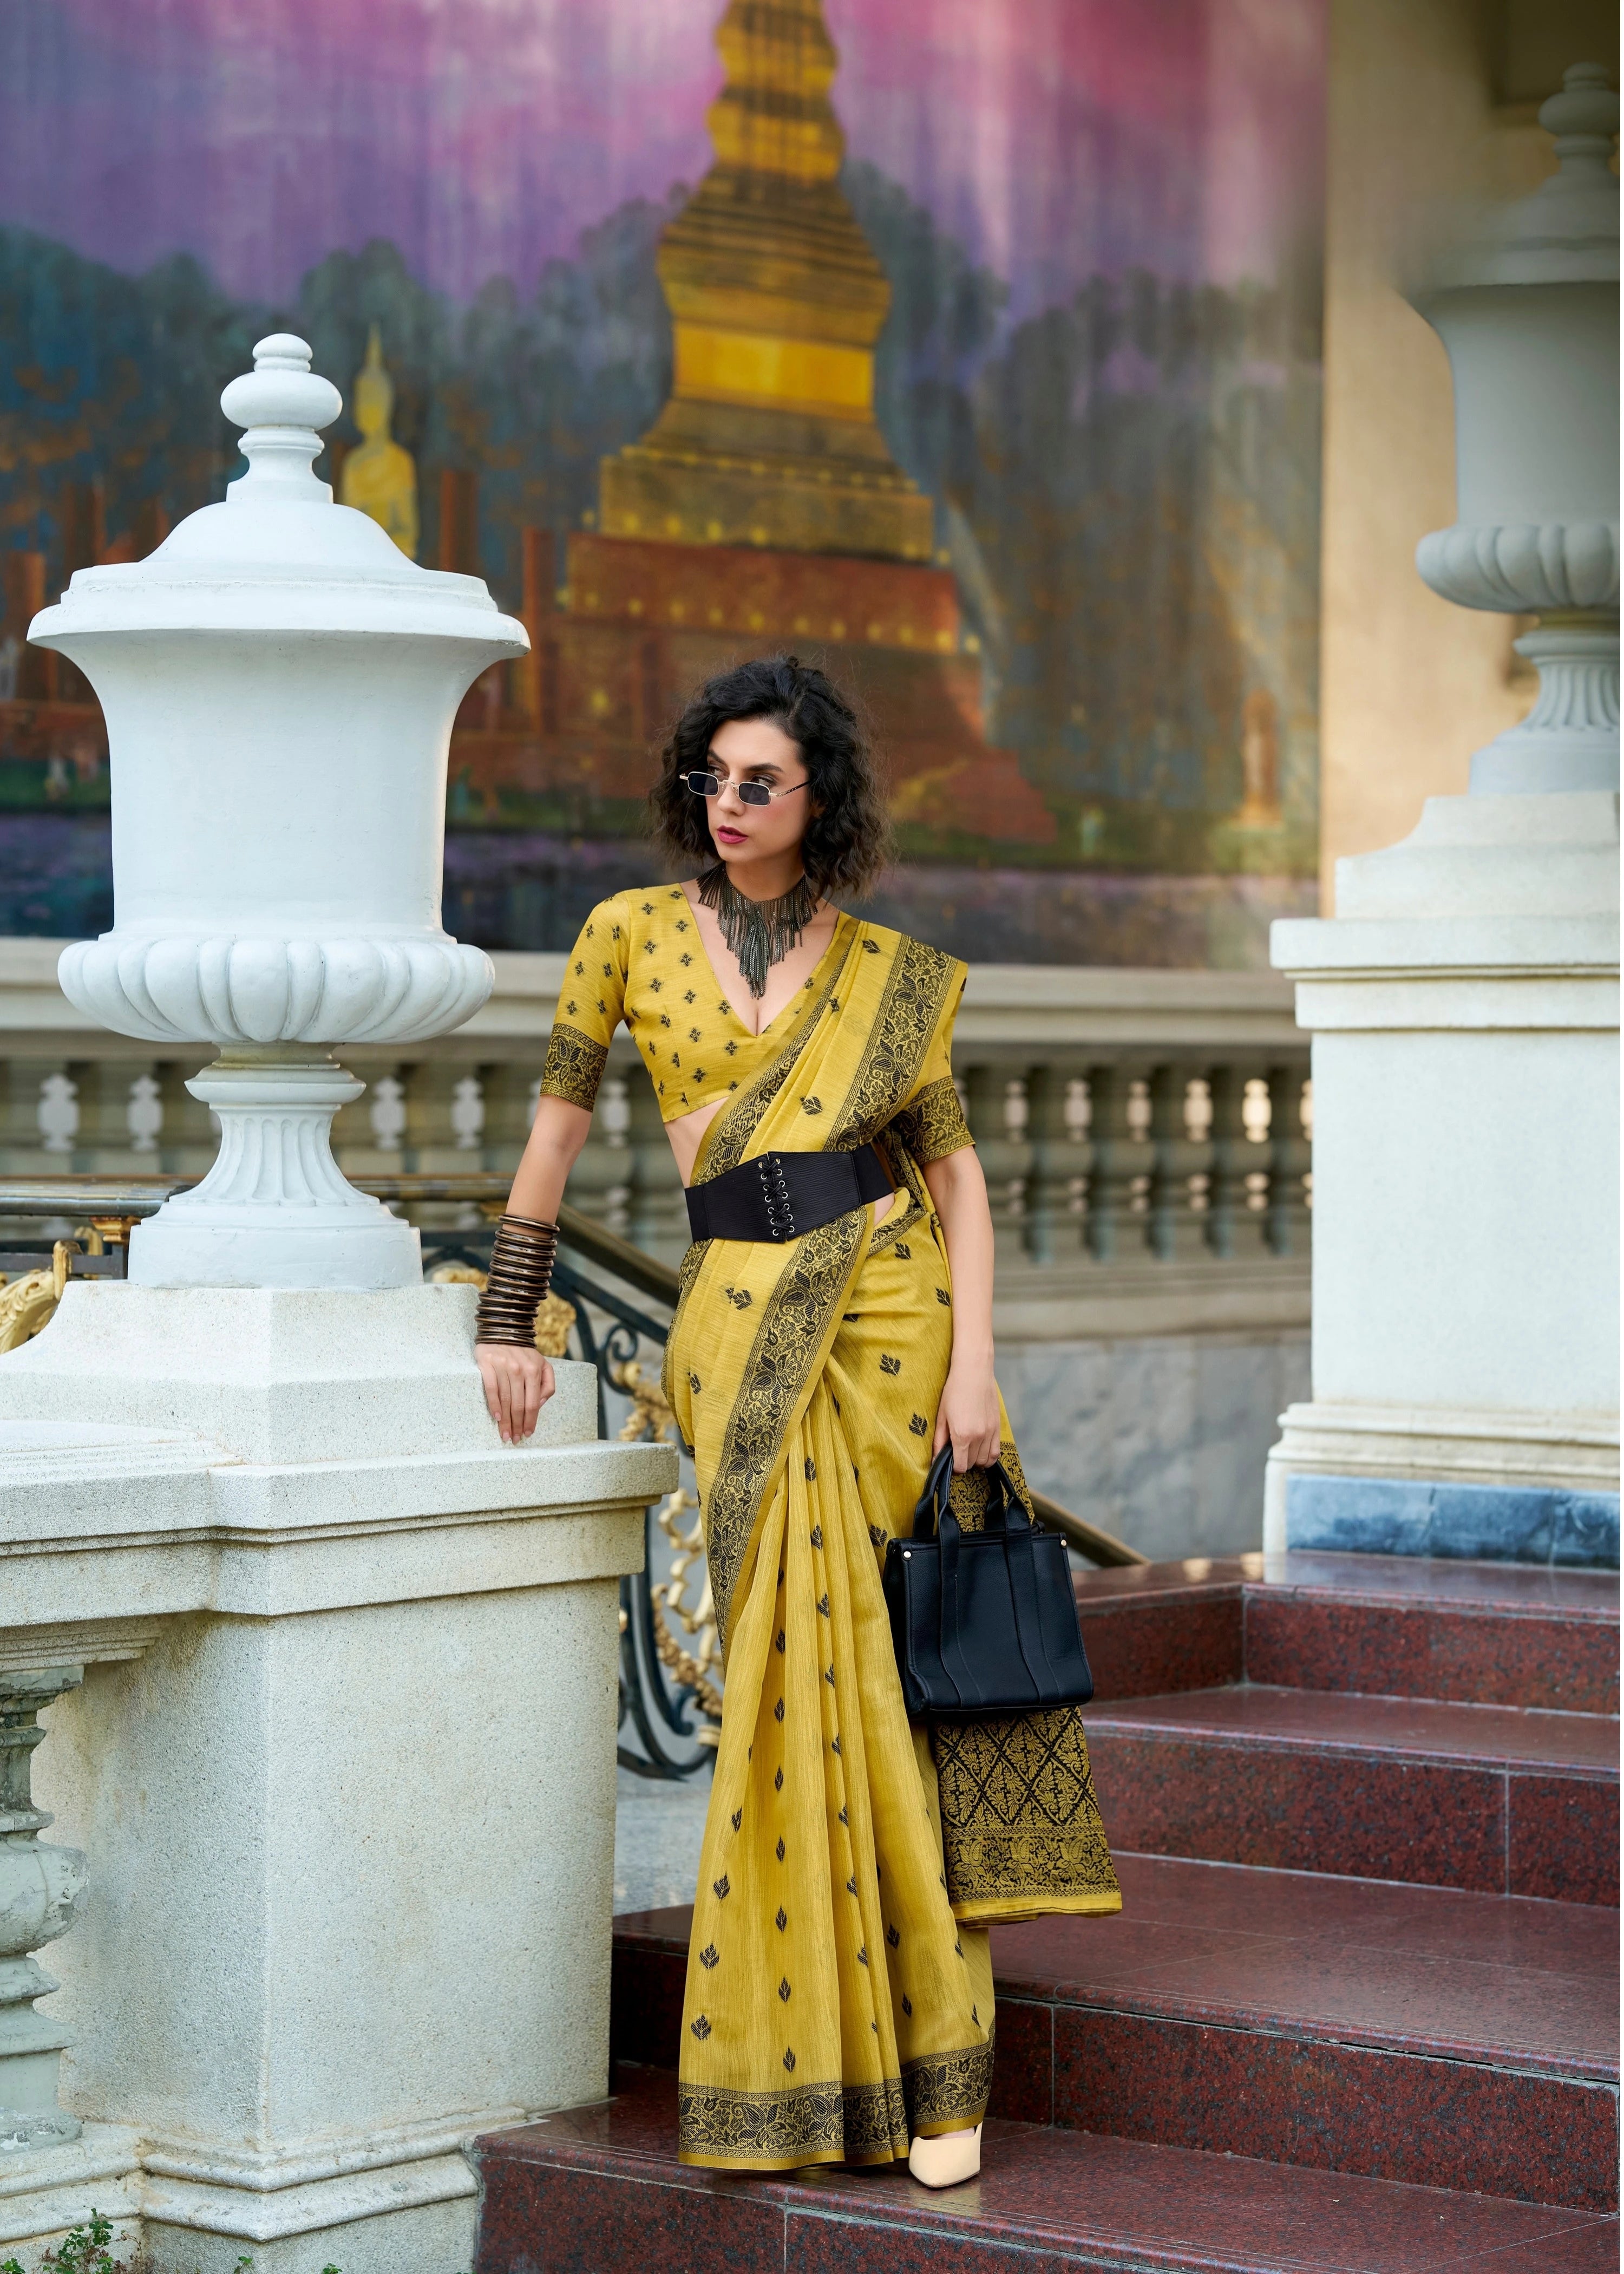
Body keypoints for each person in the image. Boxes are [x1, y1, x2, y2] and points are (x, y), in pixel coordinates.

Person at [474, 656, 1120, 2185]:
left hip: (896, 1330)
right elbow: (553, 1134)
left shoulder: (887, 971)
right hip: (737, 1322)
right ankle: (807, 2060)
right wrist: (509, 1314)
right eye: (709, 779)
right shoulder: (624, 936)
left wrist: (979, 1367)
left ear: (817, 796)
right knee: (778, 1679)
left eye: (759, 782)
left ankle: (939, 2067)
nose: (729, 805)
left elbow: (953, 1177)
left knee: (888, 1683)